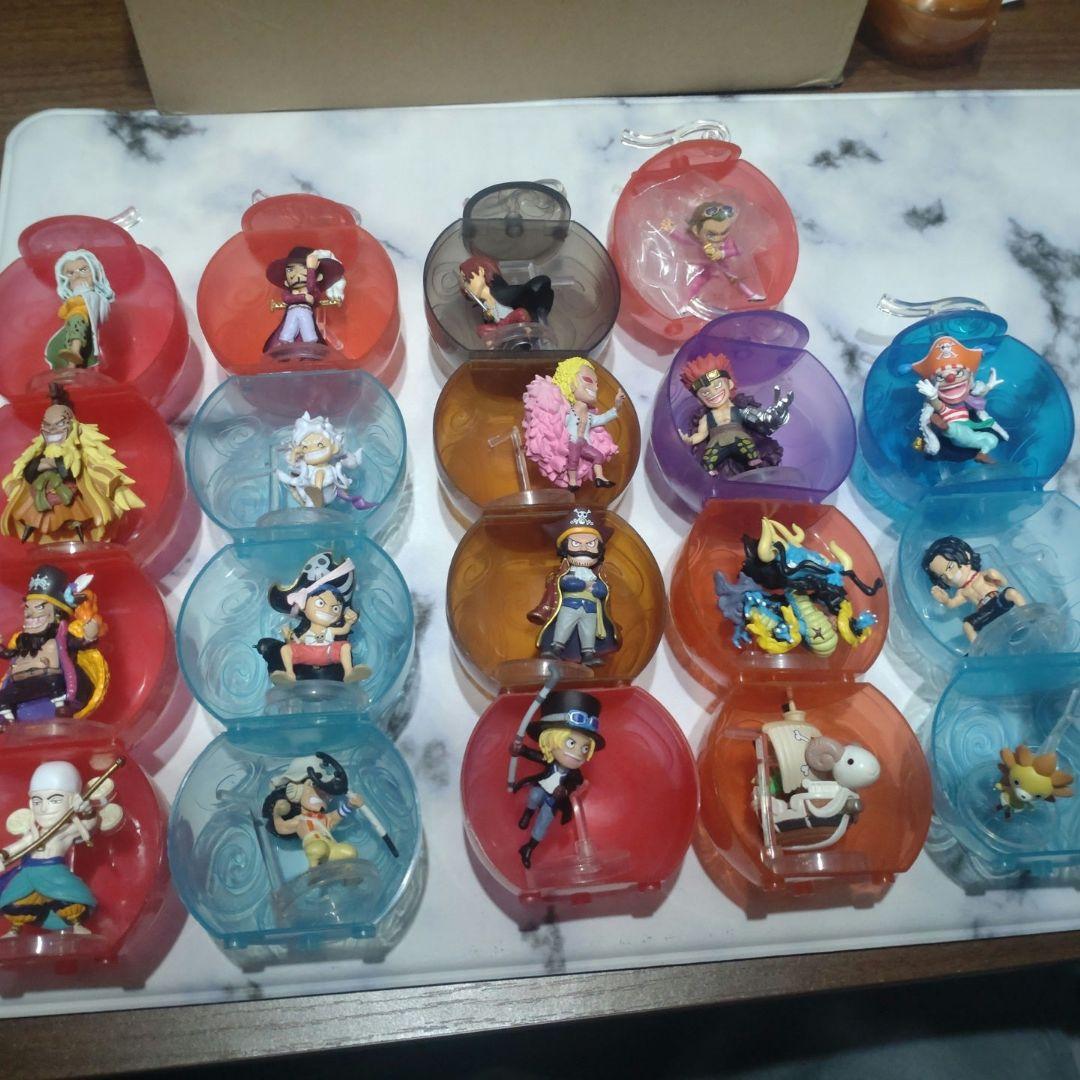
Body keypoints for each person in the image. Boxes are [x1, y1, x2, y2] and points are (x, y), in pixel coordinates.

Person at [1, 383, 145, 544]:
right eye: (47, 425)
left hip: (70, 494)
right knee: (33, 512)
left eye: (59, 425)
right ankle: (32, 526)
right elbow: (29, 471)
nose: (52, 430)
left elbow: (71, 470)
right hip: (42, 492)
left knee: (76, 512)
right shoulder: (41, 450)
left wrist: (54, 464)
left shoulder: (77, 450)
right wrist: (40, 465)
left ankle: (78, 529)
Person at [0, 760, 124, 935]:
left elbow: (89, 825)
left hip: (54, 872)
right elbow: (17, 847)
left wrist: (87, 811)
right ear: (30, 804)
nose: (44, 808)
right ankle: (15, 929)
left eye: (55, 800)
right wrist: (3, 855)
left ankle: (77, 924)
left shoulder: (66, 831)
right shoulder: (34, 832)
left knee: (70, 899)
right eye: (37, 801)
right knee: (14, 903)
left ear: (74, 801)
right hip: (27, 873)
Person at [509, 690, 604, 868]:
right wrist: (521, 751)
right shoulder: (550, 760)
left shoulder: (574, 774)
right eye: (571, 743)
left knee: (544, 821)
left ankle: (529, 848)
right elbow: (535, 755)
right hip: (541, 789)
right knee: (534, 795)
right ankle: (528, 813)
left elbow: (574, 784)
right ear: (550, 741)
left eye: (585, 748)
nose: (577, 753)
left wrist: (565, 791)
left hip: (554, 800)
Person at [0, 564, 107, 723]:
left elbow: (79, 644)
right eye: (27, 609)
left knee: (55, 683)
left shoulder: (60, 637)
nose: (30, 614)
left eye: (39, 608)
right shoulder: (22, 641)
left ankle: (61, 705)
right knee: (4, 696)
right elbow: (9, 654)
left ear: (56, 614)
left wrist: (89, 636)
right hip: (23, 684)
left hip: (50, 680)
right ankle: (7, 719)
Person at [255, 551, 371, 685]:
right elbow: (296, 643)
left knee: (345, 647)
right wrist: (288, 638)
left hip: (328, 653)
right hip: (309, 654)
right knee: (285, 650)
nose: (328, 611)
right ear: (304, 605)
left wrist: (349, 622)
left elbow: (344, 630)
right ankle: (289, 675)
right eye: (321, 603)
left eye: (335, 608)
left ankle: (349, 673)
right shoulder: (307, 631)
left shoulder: (331, 631)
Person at [528, 507, 619, 666]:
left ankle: (588, 654)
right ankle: (556, 648)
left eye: (591, 544)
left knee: (588, 632)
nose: (584, 548)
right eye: (576, 543)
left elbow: (603, 590)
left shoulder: (596, 574)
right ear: (565, 549)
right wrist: (582, 584)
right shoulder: (566, 572)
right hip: (570, 605)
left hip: (590, 608)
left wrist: (598, 589)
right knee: (564, 627)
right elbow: (566, 583)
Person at [679, 354, 793, 476]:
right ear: (699, 400)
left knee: (748, 448)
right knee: (708, 460)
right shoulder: (706, 418)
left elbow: (756, 418)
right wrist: (689, 440)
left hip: (739, 439)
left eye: (717, 386)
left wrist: (773, 417)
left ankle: (754, 462)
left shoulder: (739, 409)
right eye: (705, 393)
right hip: (717, 444)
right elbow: (701, 434)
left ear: (730, 384)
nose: (713, 393)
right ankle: (711, 473)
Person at [522, 356, 624, 491]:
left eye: (597, 384)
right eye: (588, 380)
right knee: (573, 461)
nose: (595, 388)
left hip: (584, 444)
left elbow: (604, 418)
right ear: (570, 383)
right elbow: (556, 424)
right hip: (573, 442)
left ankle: (599, 477)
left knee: (598, 456)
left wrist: (617, 406)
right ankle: (572, 482)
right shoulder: (568, 413)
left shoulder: (589, 417)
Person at [912, 336, 1007, 462]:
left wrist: (988, 386)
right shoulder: (940, 406)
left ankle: (982, 454)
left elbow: (977, 397)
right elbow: (938, 406)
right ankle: (944, 428)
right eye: (941, 377)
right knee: (956, 434)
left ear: (970, 377)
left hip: (968, 430)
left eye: (959, 373)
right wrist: (933, 397)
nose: (951, 378)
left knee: (992, 439)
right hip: (950, 429)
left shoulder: (968, 399)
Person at [922, 535, 1026, 645]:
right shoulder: (962, 592)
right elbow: (952, 604)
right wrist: (945, 600)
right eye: (943, 577)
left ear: (966, 555)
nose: (950, 576)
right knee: (967, 626)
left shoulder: (984, 576)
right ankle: (978, 646)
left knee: (1011, 592)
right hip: (984, 611)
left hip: (997, 600)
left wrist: (996, 575)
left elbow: (1003, 584)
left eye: (950, 567)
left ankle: (1027, 613)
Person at [264, 246, 345, 352]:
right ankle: (285, 346)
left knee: (308, 334)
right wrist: (302, 297)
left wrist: (311, 269)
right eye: (291, 270)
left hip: (306, 313)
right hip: (292, 313)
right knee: (286, 334)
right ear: (286, 281)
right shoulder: (289, 292)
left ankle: (309, 347)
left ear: (318, 277)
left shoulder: (314, 291)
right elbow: (286, 298)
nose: (297, 275)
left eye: (303, 269)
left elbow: (311, 289)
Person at [45, 249, 115, 369]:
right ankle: (71, 361)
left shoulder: (94, 297)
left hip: (83, 321)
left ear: (94, 272)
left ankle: (75, 352)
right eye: (71, 273)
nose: (77, 276)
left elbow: (93, 308)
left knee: (77, 319)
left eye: (83, 270)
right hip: (72, 326)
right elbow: (62, 313)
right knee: (74, 322)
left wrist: (73, 304)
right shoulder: (72, 299)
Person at [458, 254, 554, 339]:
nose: (465, 288)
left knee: (521, 313)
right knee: (481, 329)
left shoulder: (501, 293)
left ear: (481, 271)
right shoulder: (485, 304)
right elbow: (491, 321)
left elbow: (528, 290)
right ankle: (498, 340)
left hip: (516, 323)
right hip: (502, 329)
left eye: (467, 281)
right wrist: (488, 318)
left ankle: (524, 334)